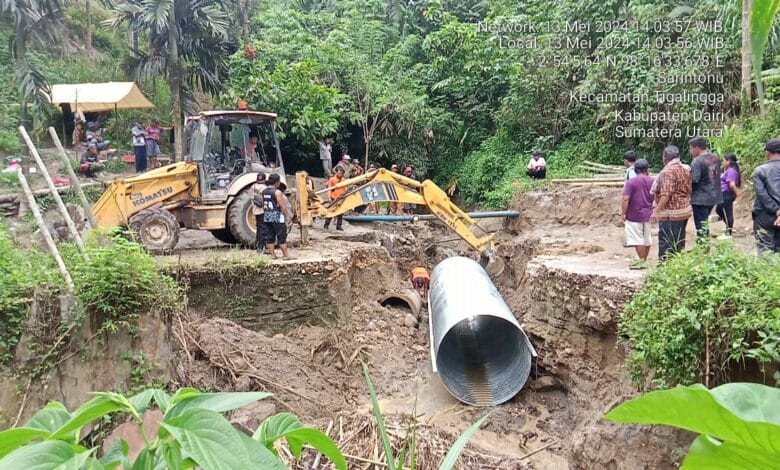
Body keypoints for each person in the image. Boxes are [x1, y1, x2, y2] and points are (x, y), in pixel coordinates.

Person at [652, 145, 692, 261]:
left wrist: (656, 210)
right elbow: (690, 189)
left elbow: (666, 194)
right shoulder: (685, 169)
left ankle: (665, 265)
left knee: (666, 240)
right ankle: (677, 263)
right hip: (683, 210)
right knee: (679, 239)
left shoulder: (667, 172)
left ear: (664, 158)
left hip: (671, 213)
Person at [689, 136, 723, 241]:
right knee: (704, 223)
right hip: (714, 196)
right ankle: (704, 248)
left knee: (701, 226)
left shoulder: (697, 161)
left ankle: (703, 249)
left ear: (697, 148)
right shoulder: (715, 157)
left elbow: (694, 180)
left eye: (691, 149)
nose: (690, 151)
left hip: (700, 199)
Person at [622, 159, 654, 268]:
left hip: (634, 215)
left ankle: (642, 262)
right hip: (649, 213)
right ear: (647, 169)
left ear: (635, 169)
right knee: (647, 238)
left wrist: (623, 213)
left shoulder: (631, 182)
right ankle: (644, 260)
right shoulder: (653, 181)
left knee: (637, 239)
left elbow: (626, 199)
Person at [752, 138, 780, 254]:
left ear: (767, 153)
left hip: (765, 215)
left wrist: (776, 210)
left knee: (765, 249)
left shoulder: (760, 170)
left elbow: (762, 194)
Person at [261, 173, 292, 259]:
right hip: (277, 215)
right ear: (277, 182)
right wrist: (287, 216)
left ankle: (272, 254)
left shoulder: (264, 191)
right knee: (281, 234)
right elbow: (282, 206)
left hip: (267, 215)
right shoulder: (277, 192)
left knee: (270, 235)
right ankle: (286, 255)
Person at [715, 153, 741, 238]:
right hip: (724, 194)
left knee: (728, 213)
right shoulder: (729, 170)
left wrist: (737, 193)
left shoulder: (731, 171)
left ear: (728, 161)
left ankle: (728, 233)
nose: (722, 162)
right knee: (719, 210)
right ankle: (728, 226)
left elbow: (732, 184)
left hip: (727, 194)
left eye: (724, 160)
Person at [252, 172, 268, 253]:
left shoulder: (254, 186)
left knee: (259, 228)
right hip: (262, 211)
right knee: (263, 229)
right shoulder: (264, 188)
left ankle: (258, 246)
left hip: (255, 210)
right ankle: (262, 248)